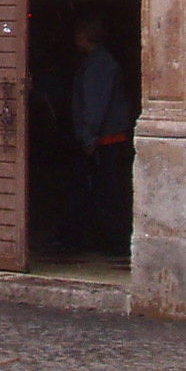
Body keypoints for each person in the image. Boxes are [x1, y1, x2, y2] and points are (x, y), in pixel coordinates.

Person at [69, 14, 134, 258]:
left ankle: (116, 242)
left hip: (105, 142)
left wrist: (88, 138)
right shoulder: (99, 63)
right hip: (105, 140)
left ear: (85, 36)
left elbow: (95, 105)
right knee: (105, 193)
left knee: (108, 194)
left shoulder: (98, 66)